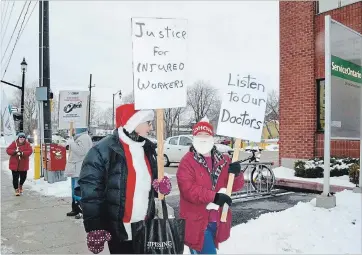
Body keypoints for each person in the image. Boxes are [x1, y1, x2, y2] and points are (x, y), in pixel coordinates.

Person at [78, 103, 171, 254]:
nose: (151, 128)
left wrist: (160, 188)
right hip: (119, 229)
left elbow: (151, 184)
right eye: (148, 123)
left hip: (145, 227)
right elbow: (91, 193)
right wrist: (94, 227)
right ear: (134, 123)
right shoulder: (102, 151)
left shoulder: (148, 149)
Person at [176, 116, 245, 254]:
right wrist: (214, 197)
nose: (202, 138)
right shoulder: (187, 162)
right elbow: (188, 190)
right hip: (197, 223)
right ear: (194, 137)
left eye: (206, 134)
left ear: (212, 137)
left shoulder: (224, 160)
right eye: (199, 134)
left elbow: (235, 186)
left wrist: (237, 174)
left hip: (218, 221)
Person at [64, 127, 93, 218]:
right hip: (76, 169)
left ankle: (81, 210)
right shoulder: (80, 137)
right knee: (75, 190)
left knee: (78, 190)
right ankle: (75, 209)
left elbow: (81, 151)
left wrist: (72, 143)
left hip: (79, 169)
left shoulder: (84, 137)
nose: (73, 129)